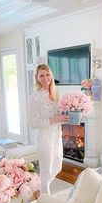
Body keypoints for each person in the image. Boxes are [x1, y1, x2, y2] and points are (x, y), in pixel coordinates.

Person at [28, 64, 70, 194]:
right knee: (46, 170)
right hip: (45, 137)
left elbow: (62, 112)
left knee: (57, 166)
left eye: (47, 74)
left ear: (51, 76)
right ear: (37, 78)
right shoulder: (35, 97)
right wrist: (54, 120)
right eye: (41, 75)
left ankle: (38, 188)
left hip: (57, 135)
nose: (45, 78)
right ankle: (45, 201)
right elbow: (33, 123)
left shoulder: (57, 93)